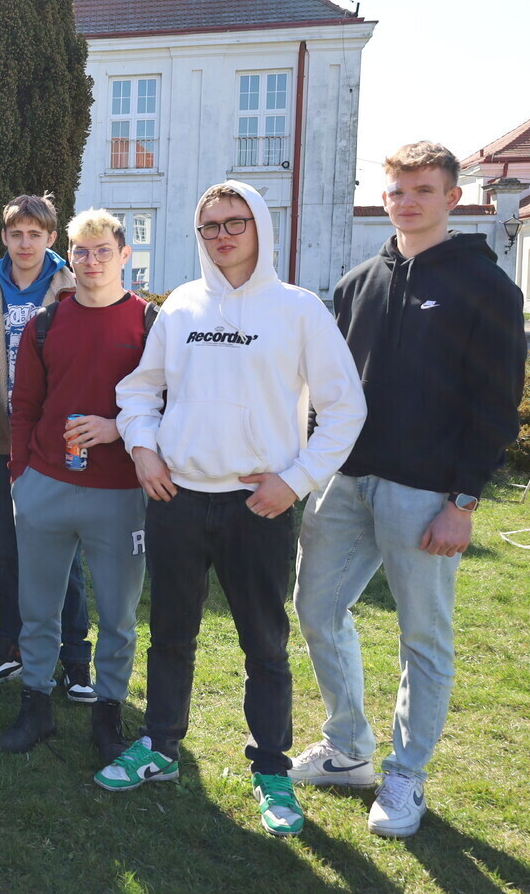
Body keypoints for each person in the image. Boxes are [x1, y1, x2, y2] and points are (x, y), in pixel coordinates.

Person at [97, 181, 366, 839]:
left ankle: (272, 771)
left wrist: (295, 481)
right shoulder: (181, 306)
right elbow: (139, 392)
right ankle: (161, 747)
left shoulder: (298, 309)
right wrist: (143, 451)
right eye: (210, 225)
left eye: (235, 222)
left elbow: (344, 408)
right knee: (171, 634)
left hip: (258, 506)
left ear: (260, 227)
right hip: (176, 498)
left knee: (264, 645)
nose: (222, 235)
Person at [291, 142, 525, 839]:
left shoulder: (486, 287)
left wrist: (463, 501)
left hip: (427, 494)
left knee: (422, 636)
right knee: (315, 609)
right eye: (397, 190)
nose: (407, 202)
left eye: (423, 190)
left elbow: (497, 403)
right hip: (345, 482)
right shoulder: (357, 282)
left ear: (453, 197)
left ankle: (406, 772)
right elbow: (331, 391)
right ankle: (348, 748)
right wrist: (310, 463)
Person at [0, 210, 152, 762]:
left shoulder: (148, 323)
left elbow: (166, 404)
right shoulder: (46, 322)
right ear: (70, 255)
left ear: (124, 255)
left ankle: (107, 716)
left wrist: (116, 428)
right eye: (82, 251)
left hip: (120, 493)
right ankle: (35, 705)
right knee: (37, 608)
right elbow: (24, 406)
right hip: (45, 485)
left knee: (118, 616)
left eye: (103, 251)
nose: (92, 262)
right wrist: (21, 476)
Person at [0, 194, 96, 699]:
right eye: (16, 234)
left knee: (64, 557)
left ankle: (75, 659)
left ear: (52, 238)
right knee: (7, 555)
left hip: (55, 448)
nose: (25, 244)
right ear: (4, 238)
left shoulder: (72, 291)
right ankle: (9, 648)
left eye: (35, 234)